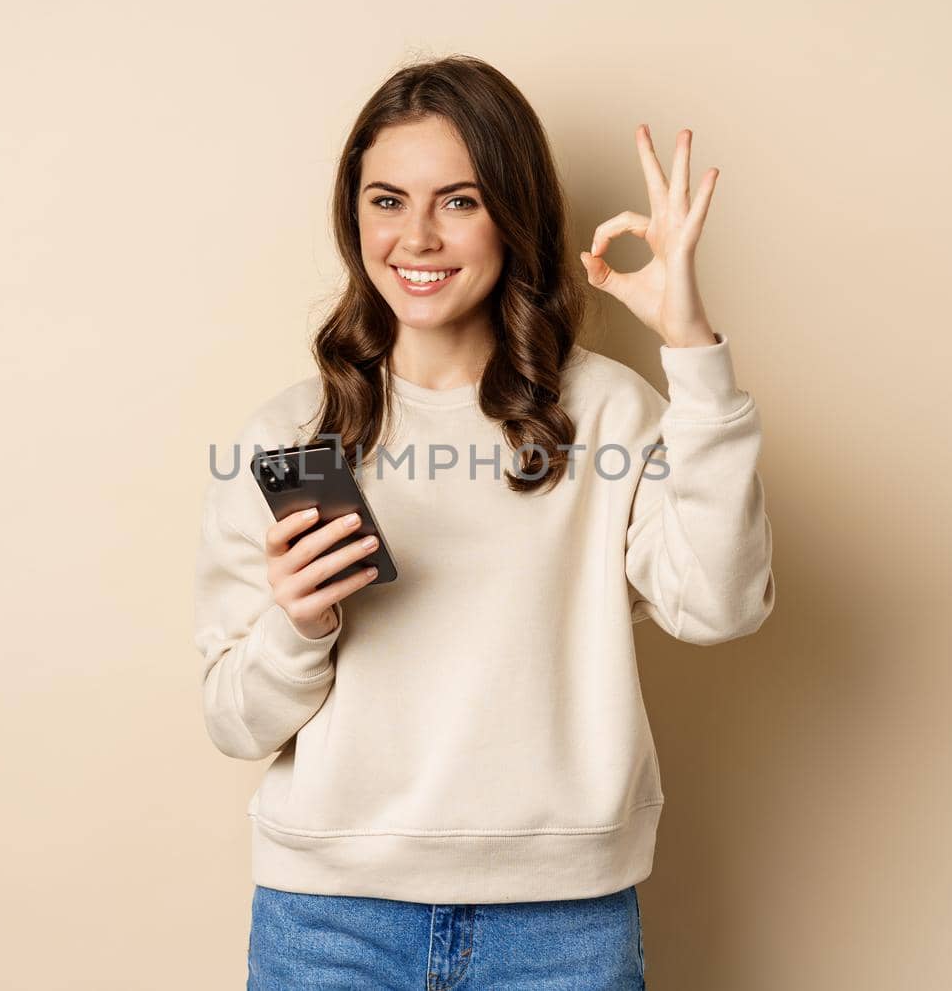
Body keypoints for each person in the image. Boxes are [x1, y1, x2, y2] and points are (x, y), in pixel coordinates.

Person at [192, 54, 776, 989]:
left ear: (515, 213)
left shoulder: (612, 414)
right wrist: (301, 626)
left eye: (458, 201)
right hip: (328, 927)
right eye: (386, 200)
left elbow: (721, 605)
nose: (416, 237)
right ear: (354, 218)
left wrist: (691, 350)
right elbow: (233, 719)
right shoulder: (294, 435)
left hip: (562, 931)